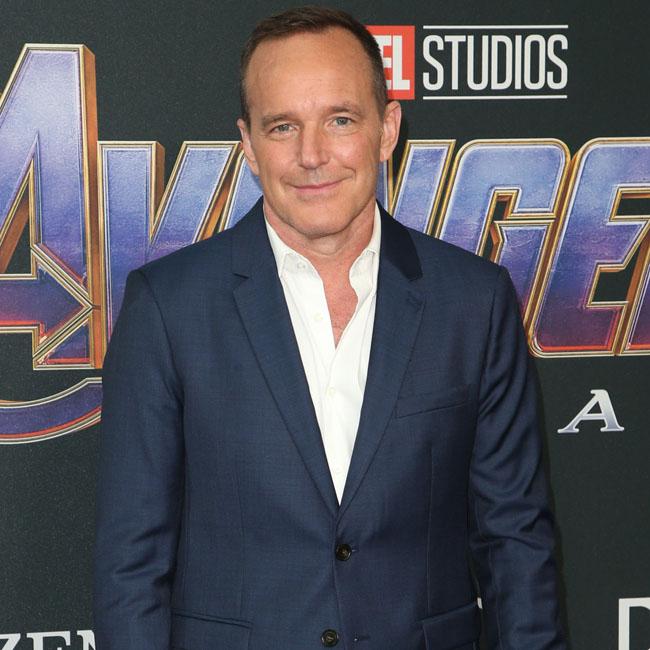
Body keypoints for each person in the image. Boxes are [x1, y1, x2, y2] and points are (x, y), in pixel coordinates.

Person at [93, 6, 566, 650]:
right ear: (248, 145)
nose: (312, 156)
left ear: (387, 129)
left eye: (340, 120)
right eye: (282, 126)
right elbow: (131, 566)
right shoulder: (169, 307)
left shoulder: (473, 302)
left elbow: (516, 543)